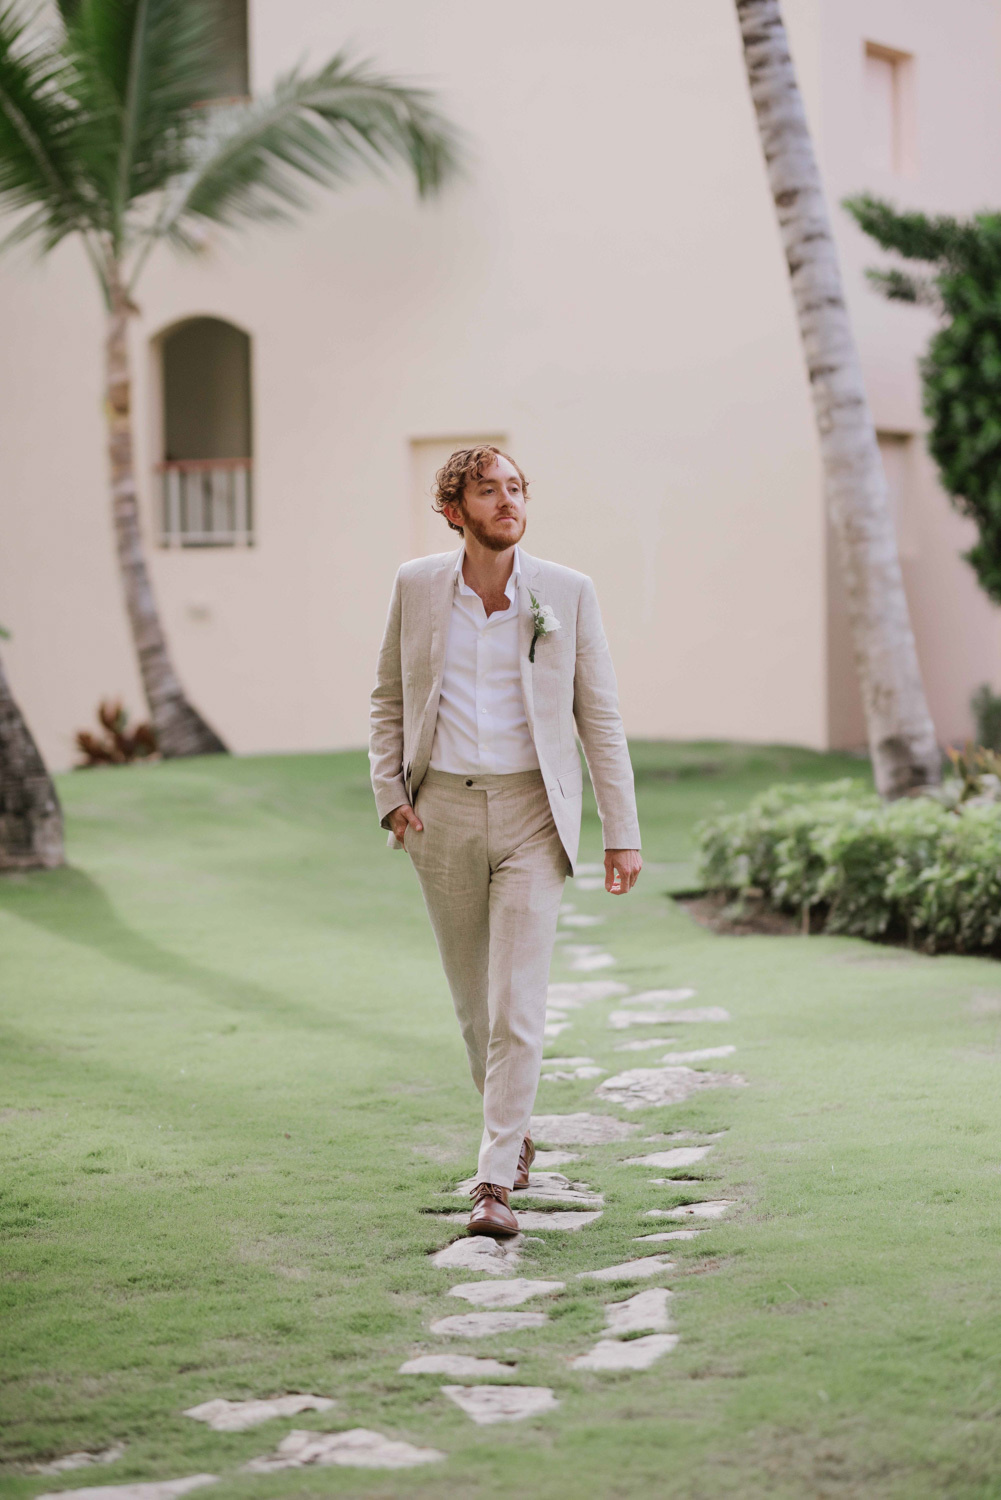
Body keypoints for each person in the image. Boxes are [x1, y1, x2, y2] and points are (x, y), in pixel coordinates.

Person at [369, 445, 641, 1237]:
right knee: (474, 1007)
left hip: (532, 814)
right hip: (440, 815)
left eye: (515, 488)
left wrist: (619, 833)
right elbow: (387, 695)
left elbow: (601, 716)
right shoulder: (416, 586)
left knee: (517, 1004)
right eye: (487, 490)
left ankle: (492, 1182)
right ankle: (512, 1132)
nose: (506, 501)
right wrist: (390, 797)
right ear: (455, 510)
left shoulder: (566, 593)